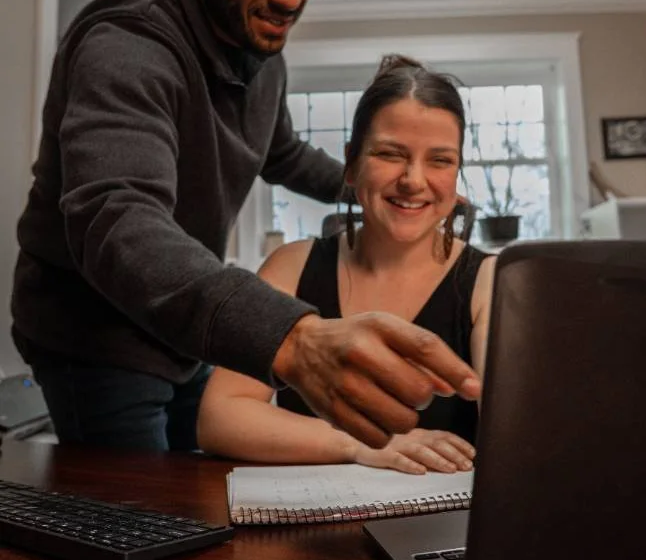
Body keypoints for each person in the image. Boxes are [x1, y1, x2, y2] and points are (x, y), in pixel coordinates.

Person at [11, 0, 481, 452]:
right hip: (99, 338)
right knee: (142, 503)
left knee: (204, 482)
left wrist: (378, 184)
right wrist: (293, 336)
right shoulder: (129, 44)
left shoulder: (261, 55)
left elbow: (282, 154)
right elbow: (118, 219)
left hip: (181, 330)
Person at [198, 56, 496, 474]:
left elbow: (511, 427)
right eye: (390, 154)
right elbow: (220, 418)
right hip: (308, 511)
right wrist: (361, 445)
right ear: (352, 165)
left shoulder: (489, 281)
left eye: (440, 160)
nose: (413, 180)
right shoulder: (290, 267)